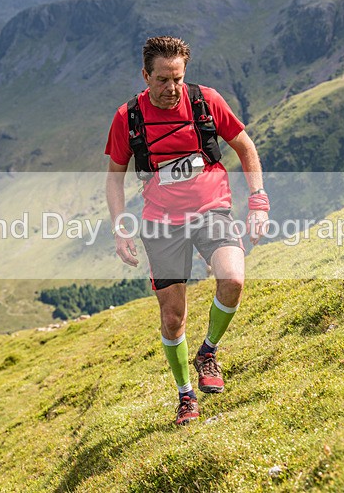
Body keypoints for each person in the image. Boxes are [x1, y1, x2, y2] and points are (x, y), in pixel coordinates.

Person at [105, 36, 269, 425]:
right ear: (145, 76)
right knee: (172, 316)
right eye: (162, 80)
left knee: (233, 279)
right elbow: (114, 178)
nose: (171, 88)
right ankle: (185, 396)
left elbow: (245, 147)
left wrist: (258, 201)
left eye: (177, 78)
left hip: (212, 208)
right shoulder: (128, 117)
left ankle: (207, 352)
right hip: (161, 221)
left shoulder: (205, 101)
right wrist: (120, 228)